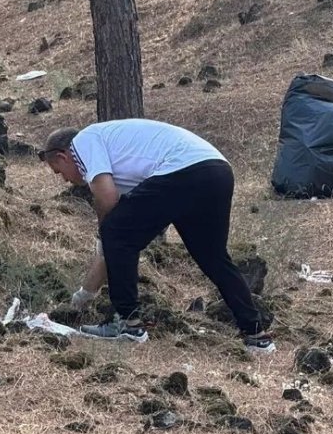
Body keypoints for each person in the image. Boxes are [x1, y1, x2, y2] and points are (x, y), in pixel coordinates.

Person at [38, 119, 274, 354]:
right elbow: (122, 226)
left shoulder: (83, 141)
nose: (65, 180)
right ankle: (256, 335)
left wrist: (107, 235)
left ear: (62, 156)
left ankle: (128, 324)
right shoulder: (123, 160)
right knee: (213, 257)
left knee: (115, 232)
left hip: (183, 170)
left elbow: (108, 202)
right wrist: (88, 288)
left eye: (59, 172)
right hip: (217, 171)